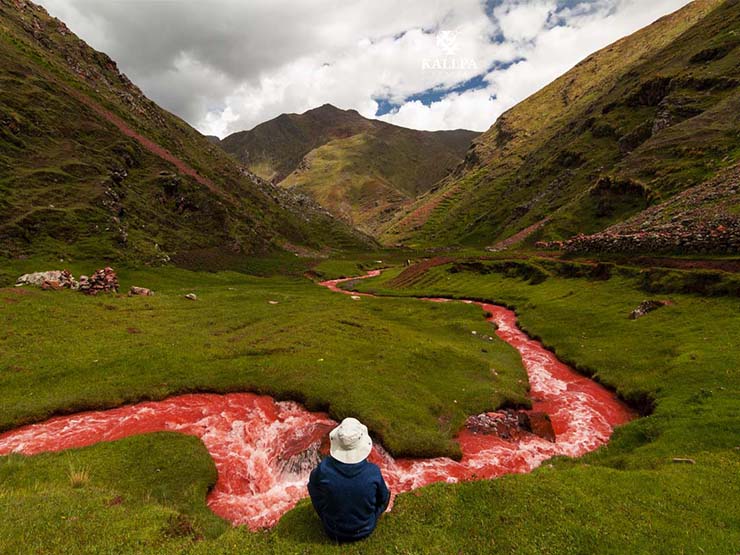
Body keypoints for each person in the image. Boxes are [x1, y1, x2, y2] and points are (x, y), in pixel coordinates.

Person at [307, 417, 390, 542]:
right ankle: (365, 518)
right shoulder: (373, 471)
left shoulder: (324, 469)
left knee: (316, 488)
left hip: (332, 530)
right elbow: (382, 499)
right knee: (386, 494)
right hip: (366, 529)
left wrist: (322, 510)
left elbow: (312, 487)